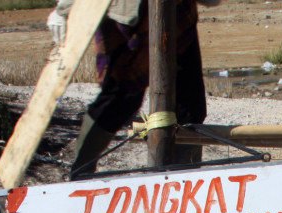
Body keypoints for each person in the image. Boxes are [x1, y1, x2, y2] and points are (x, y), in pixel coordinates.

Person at [48, 0, 212, 179]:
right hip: (129, 12)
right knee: (120, 100)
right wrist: (63, 9)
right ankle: (80, 175)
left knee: (190, 106)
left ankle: (184, 183)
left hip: (176, 10)